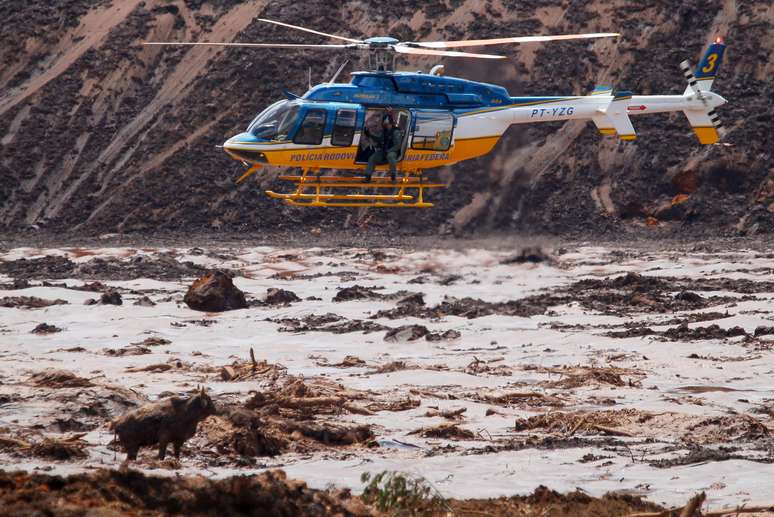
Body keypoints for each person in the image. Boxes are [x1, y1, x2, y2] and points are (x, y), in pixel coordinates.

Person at [364, 110, 402, 182]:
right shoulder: (385, 131)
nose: (385, 126)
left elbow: (398, 145)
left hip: (393, 151)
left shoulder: (396, 132)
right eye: (384, 124)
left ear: (390, 123)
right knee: (372, 158)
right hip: (384, 150)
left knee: (390, 156)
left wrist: (388, 151)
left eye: (386, 124)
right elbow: (380, 140)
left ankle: (393, 176)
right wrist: (369, 135)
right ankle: (368, 177)